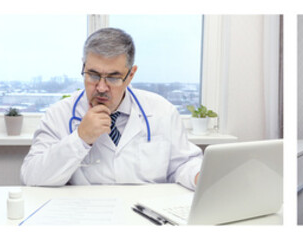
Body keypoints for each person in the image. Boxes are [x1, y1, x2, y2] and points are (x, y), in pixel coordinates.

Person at [22, 28, 204, 190]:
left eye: (113, 77)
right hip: (88, 215)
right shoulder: (59, 114)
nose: (101, 87)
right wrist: (80, 138)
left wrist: (198, 176)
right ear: (83, 67)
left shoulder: (162, 111)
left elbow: (183, 164)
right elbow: (32, 176)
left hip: (147, 214)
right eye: (93, 75)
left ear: (131, 75)